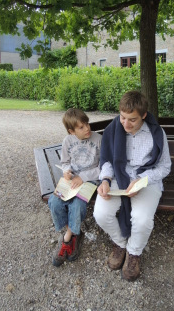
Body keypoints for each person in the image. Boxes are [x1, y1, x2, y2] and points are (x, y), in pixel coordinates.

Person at [93, 91, 171, 281]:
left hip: (147, 180)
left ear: (144, 115)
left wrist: (142, 179)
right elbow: (108, 160)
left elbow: (165, 167)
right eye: (123, 117)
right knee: (100, 214)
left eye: (132, 120)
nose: (125, 124)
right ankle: (120, 243)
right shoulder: (114, 129)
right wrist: (105, 179)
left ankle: (134, 252)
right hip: (119, 177)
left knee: (142, 219)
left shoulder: (157, 133)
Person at [48, 108, 102, 267]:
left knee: (77, 205)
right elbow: (65, 162)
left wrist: (83, 177)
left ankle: (68, 238)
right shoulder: (67, 141)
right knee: (54, 202)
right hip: (71, 180)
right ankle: (73, 232)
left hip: (90, 180)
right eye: (81, 127)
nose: (87, 129)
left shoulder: (98, 139)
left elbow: (103, 167)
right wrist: (66, 171)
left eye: (87, 124)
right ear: (71, 131)